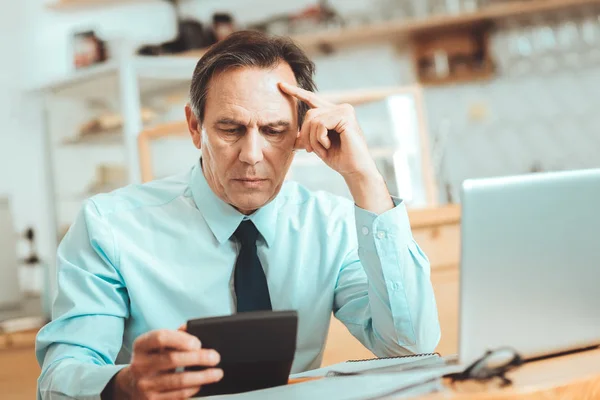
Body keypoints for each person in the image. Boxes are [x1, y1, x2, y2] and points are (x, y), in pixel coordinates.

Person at [36, 31, 440, 400]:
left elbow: (410, 349)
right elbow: (58, 380)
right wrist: (123, 385)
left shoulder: (329, 226)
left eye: (274, 130)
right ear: (195, 127)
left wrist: (364, 176)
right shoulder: (109, 227)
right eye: (230, 129)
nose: (251, 155)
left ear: (301, 132)